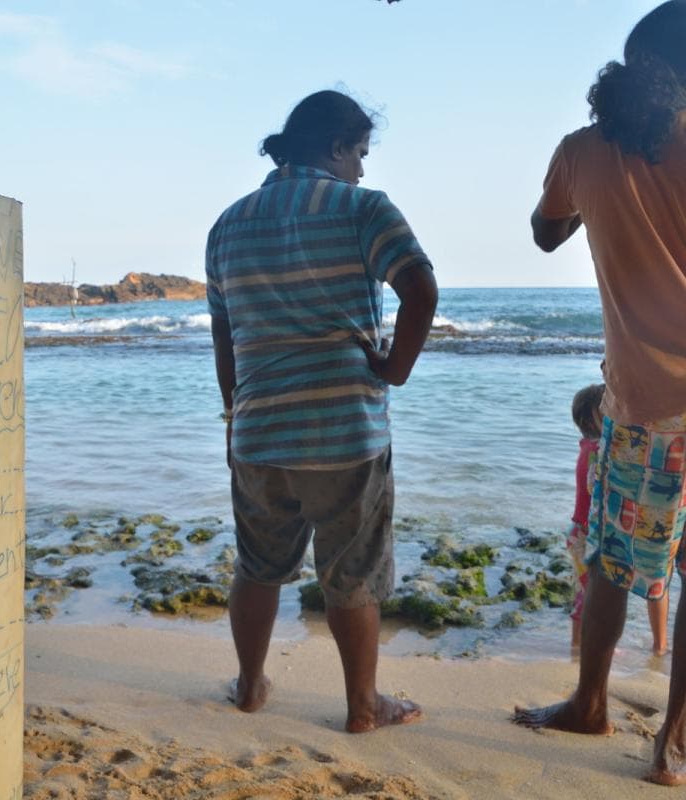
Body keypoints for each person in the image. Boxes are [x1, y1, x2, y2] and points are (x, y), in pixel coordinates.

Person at [511, 0, 686, 787]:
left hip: (642, 405)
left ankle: (589, 704)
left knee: (615, 560)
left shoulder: (582, 150)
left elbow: (544, 231)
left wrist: (600, 197)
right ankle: (672, 744)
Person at [206, 89, 438, 733]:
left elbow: (225, 337)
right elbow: (420, 287)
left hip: (258, 432)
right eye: (359, 153)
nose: (362, 169)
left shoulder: (228, 223)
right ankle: (362, 707)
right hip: (345, 432)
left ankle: (251, 687)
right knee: (352, 573)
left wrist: (235, 416)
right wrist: (394, 370)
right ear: (336, 146)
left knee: (257, 567)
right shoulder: (362, 208)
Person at [566, 384, 669, 655]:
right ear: (592, 419)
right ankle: (580, 646)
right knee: (589, 594)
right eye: (608, 410)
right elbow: (594, 487)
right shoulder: (596, 449)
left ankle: (583, 644)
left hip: (584, 532)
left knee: (589, 592)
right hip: (586, 534)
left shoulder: (592, 445)